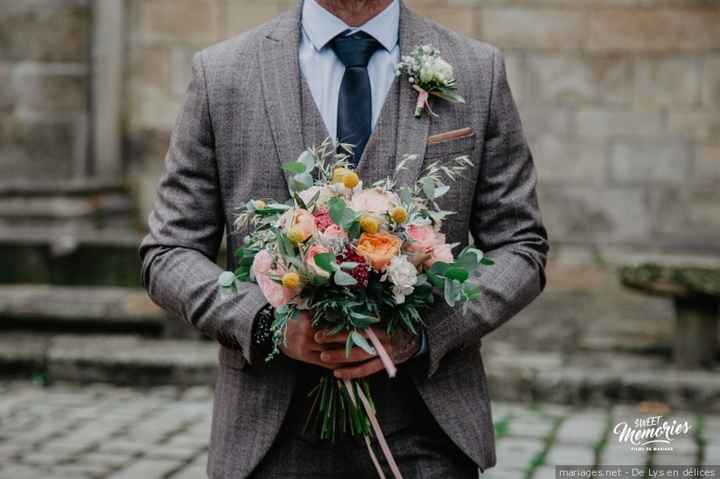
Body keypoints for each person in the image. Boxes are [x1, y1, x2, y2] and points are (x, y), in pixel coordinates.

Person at [139, 0, 548, 477]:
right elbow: (168, 253)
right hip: (270, 435)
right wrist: (268, 324)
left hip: (427, 431)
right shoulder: (223, 73)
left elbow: (522, 246)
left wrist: (422, 332)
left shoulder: (476, 71)